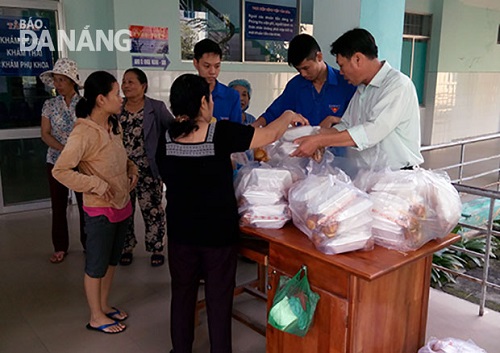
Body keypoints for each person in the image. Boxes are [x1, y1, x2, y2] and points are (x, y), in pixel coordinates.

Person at [156, 74, 308, 353]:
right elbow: (270, 135)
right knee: (218, 297)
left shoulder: (166, 138)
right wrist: (287, 114)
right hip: (218, 235)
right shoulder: (221, 133)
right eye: (210, 98)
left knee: (182, 294)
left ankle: (180, 349)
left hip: (181, 234)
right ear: (203, 102)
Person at [52, 71, 139, 334]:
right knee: (96, 264)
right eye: (116, 93)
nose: (121, 97)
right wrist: (97, 185)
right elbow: (61, 171)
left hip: (121, 204)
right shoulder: (83, 133)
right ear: (101, 100)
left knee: (112, 261)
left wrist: (131, 169)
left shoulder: (114, 126)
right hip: (99, 208)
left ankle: (103, 305)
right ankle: (95, 316)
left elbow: (120, 157)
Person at [291, 28, 424, 170]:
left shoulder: (397, 85)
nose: (341, 72)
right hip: (370, 175)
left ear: (358, 59)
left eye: (342, 65)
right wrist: (313, 136)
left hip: (399, 177)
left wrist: (319, 140)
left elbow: (372, 131)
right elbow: (346, 125)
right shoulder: (362, 89)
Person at [252, 34, 356, 155]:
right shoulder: (296, 86)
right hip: (303, 156)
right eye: (299, 70)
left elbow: (359, 122)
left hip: (338, 157)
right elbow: (274, 113)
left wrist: (334, 120)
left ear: (319, 56)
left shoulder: (345, 83)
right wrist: (255, 126)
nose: (303, 74)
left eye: (306, 68)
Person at [118, 68, 173, 267]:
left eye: (131, 82)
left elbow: (172, 129)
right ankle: (126, 247)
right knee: (124, 210)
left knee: (153, 210)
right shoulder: (117, 108)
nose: (126, 86)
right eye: (124, 82)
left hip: (150, 169)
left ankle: (156, 247)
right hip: (122, 170)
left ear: (144, 86)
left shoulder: (156, 108)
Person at [40, 58, 86, 263]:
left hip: (83, 161)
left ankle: (89, 244)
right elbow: (45, 133)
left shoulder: (85, 104)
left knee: (86, 204)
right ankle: (60, 246)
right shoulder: (49, 105)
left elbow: (90, 132)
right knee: (58, 205)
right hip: (56, 160)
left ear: (72, 81)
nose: (58, 85)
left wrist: (77, 153)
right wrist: (64, 150)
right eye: (56, 80)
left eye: (62, 80)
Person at [193, 38, 242, 123]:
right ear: (196, 63)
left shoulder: (231, 96)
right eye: (207, 66)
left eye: (217, 66)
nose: (212, 72)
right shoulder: (187, 93)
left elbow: (236, 131)